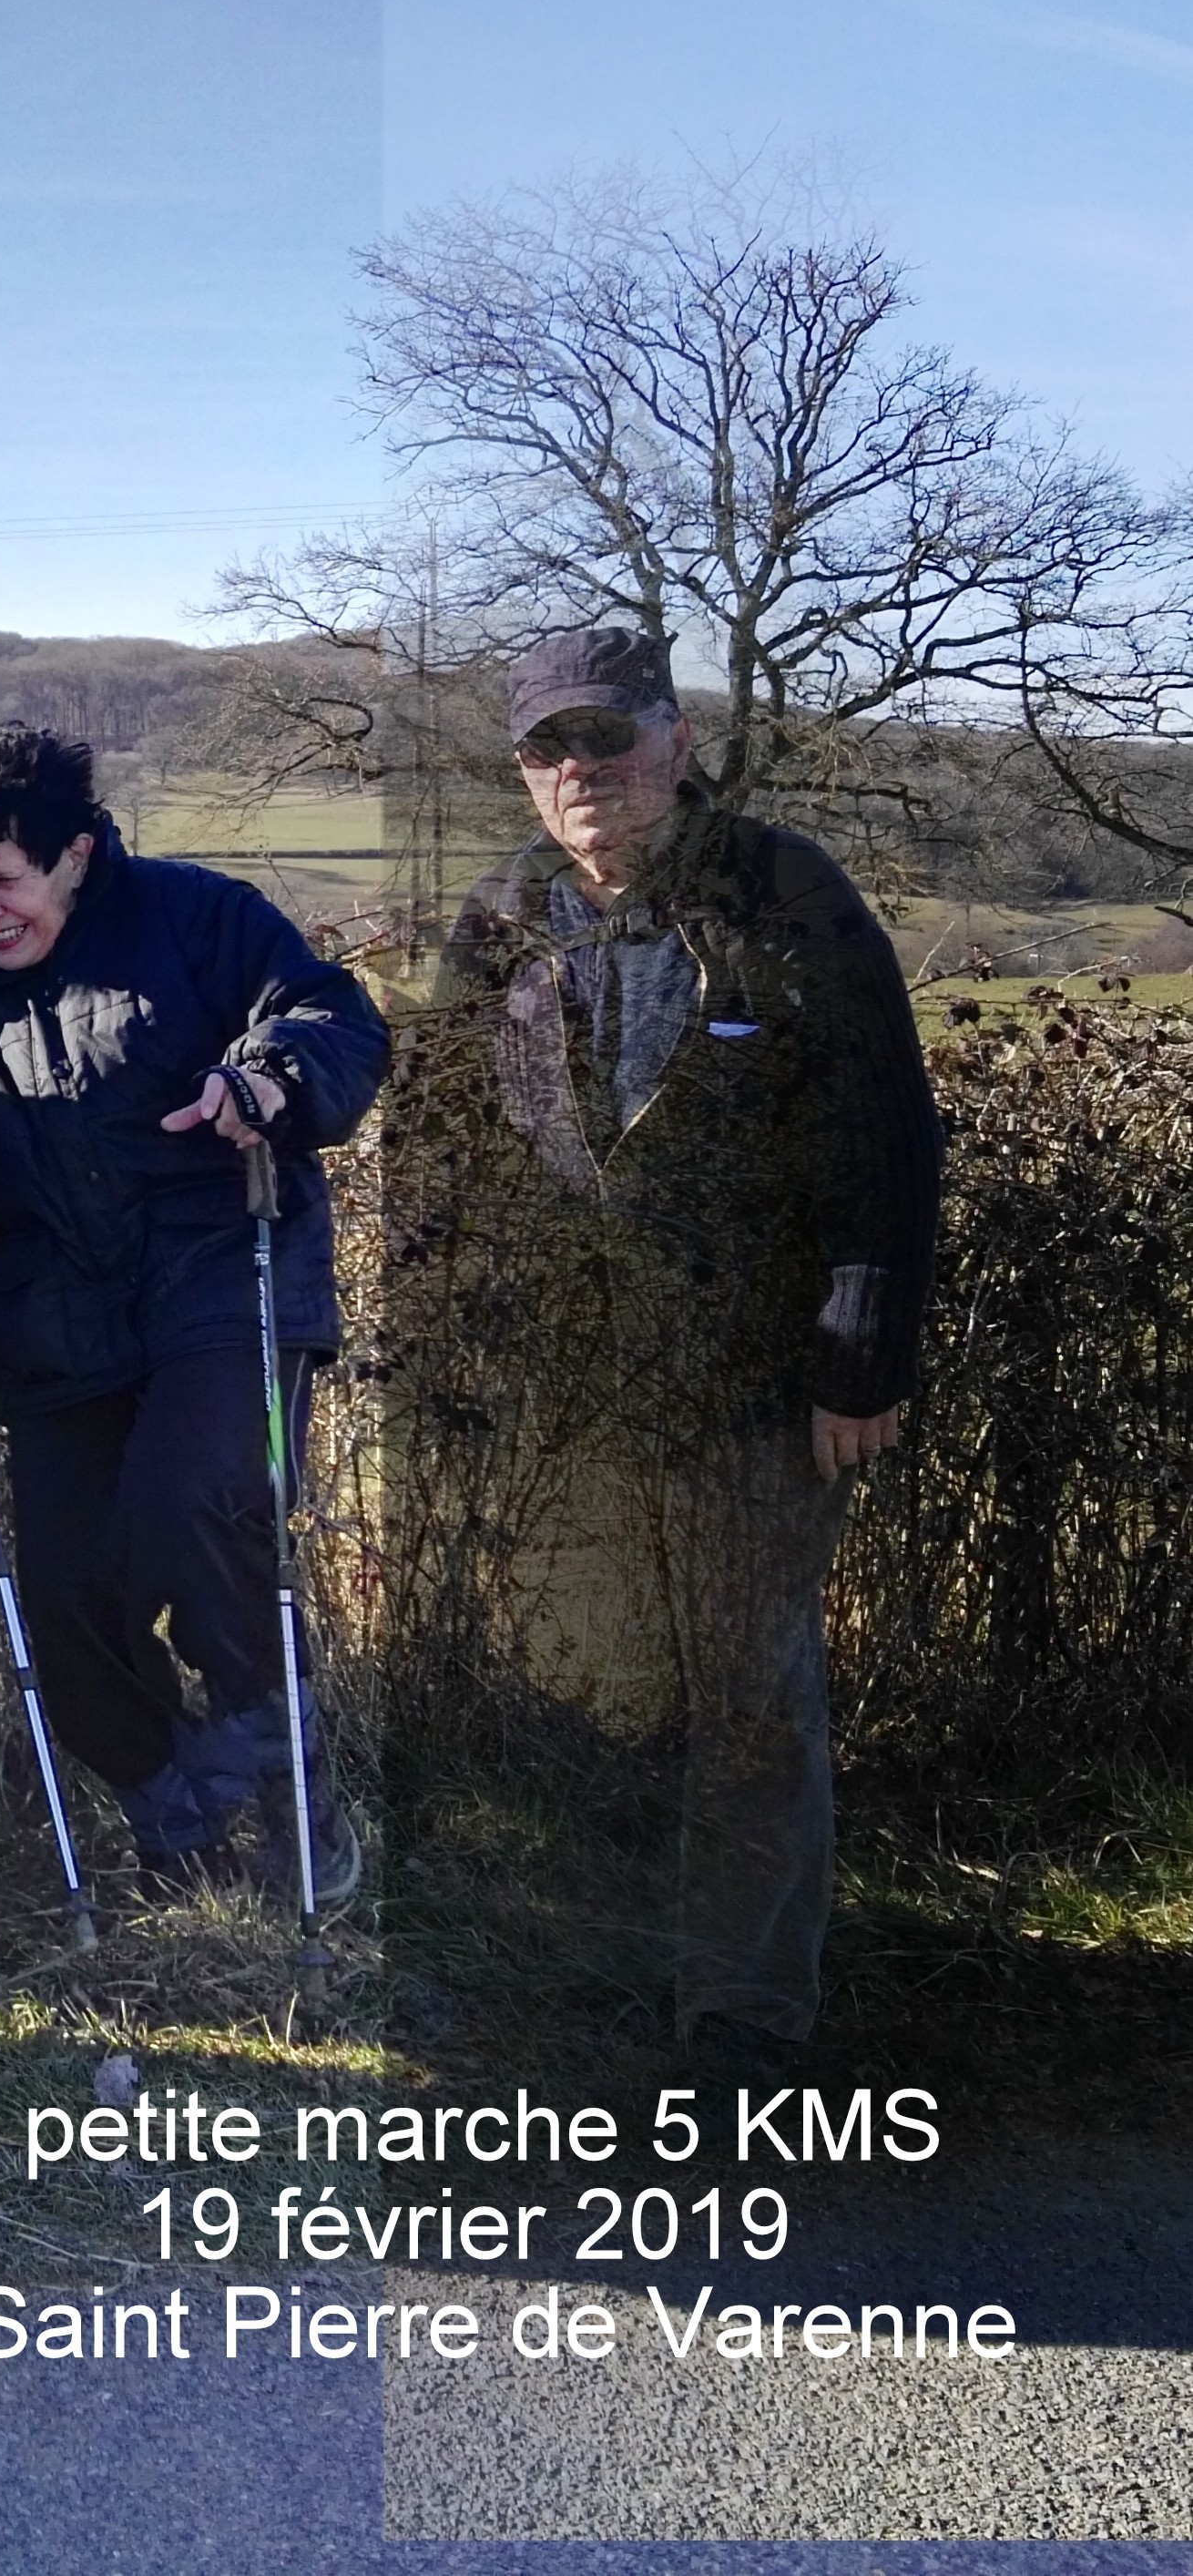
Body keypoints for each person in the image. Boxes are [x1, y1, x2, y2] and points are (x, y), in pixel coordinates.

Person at [432, 623, 940, 2066]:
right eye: (549, 744)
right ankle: (608, 1978)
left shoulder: (788, 893)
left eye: (606, 733)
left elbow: (882, 1132)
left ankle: (741, 2012)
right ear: (524, 772)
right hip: (574, 1389)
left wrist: (863, 1348)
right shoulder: (505, 911)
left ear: (675, 736)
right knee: (608, 1684)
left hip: (759, 1378)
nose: (580, 767)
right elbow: (454, 1143)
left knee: (745, 1689)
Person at [0, 727, 386, 1901]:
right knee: (64, 1602)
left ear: (73, 851)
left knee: (194, 1507)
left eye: (2, 877)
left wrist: (267, 1075)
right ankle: (181, 1815)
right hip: (53, 1318)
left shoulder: (194, 917)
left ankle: (291, 1796)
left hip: (218, 1274)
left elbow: (334, 1016)